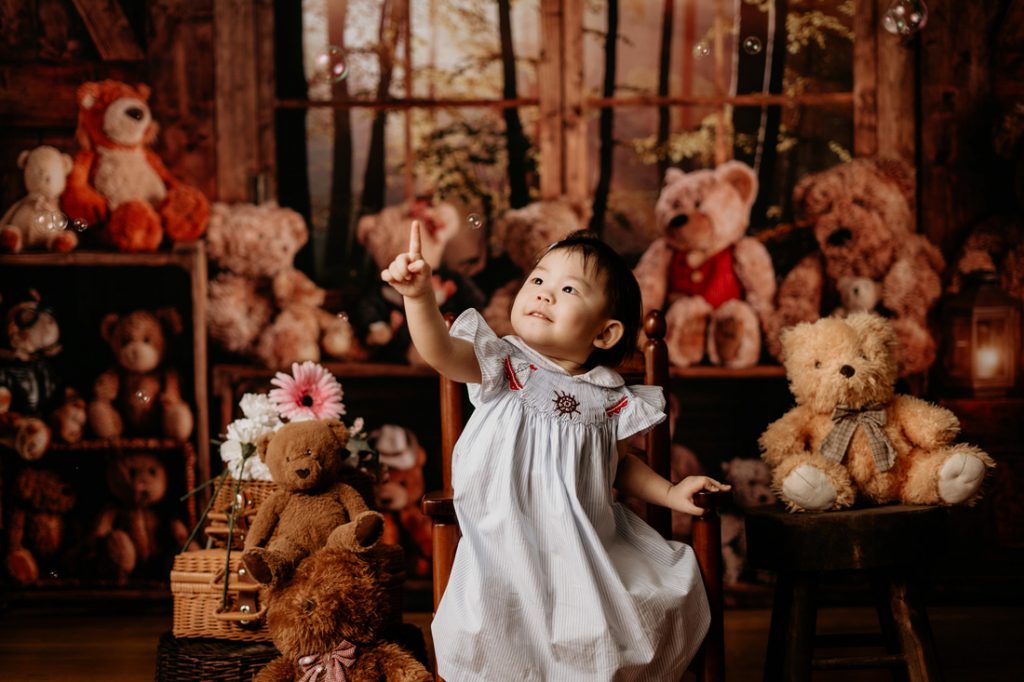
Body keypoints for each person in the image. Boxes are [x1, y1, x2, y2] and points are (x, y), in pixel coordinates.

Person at [382, 222, 730, 681]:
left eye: (568, 289)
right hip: (500, 546)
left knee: (601, 635)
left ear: (604, 334)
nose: (544, 294)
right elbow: (441, 352)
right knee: (494, 635)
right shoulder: (504, 365)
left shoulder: (607, 396)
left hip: (582, 549)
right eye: (539, 280)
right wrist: (419, 297)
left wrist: (671, 493)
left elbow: (619, 465)